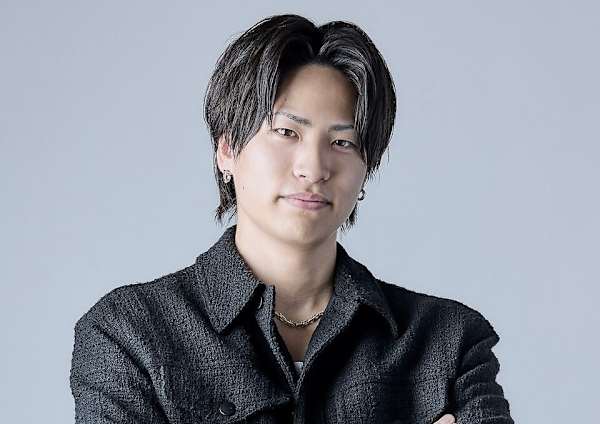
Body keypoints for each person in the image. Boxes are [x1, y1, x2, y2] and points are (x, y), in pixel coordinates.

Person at [69, 14, 514, 424]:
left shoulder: (450, 342)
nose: (313, 168)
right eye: (286, 132)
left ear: (366, 169)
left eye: (342, 143)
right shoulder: (129, 334)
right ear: (227, 149)